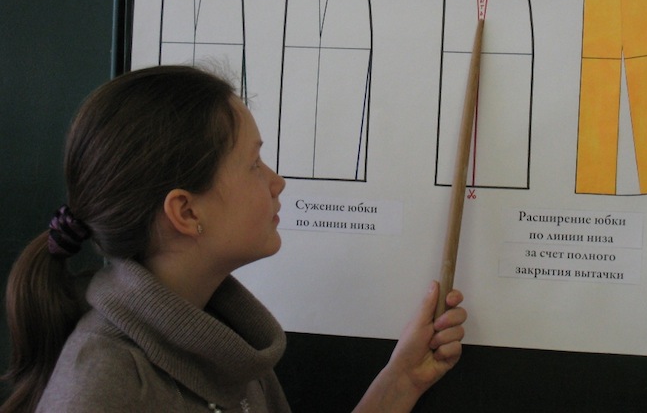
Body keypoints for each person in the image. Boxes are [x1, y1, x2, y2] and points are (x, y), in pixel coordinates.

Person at [2, 65, 467, 413]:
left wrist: (400, 382)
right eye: (253, 164)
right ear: (187, 212)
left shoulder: (225, 344)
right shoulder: (101, 387)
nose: (276, 181)